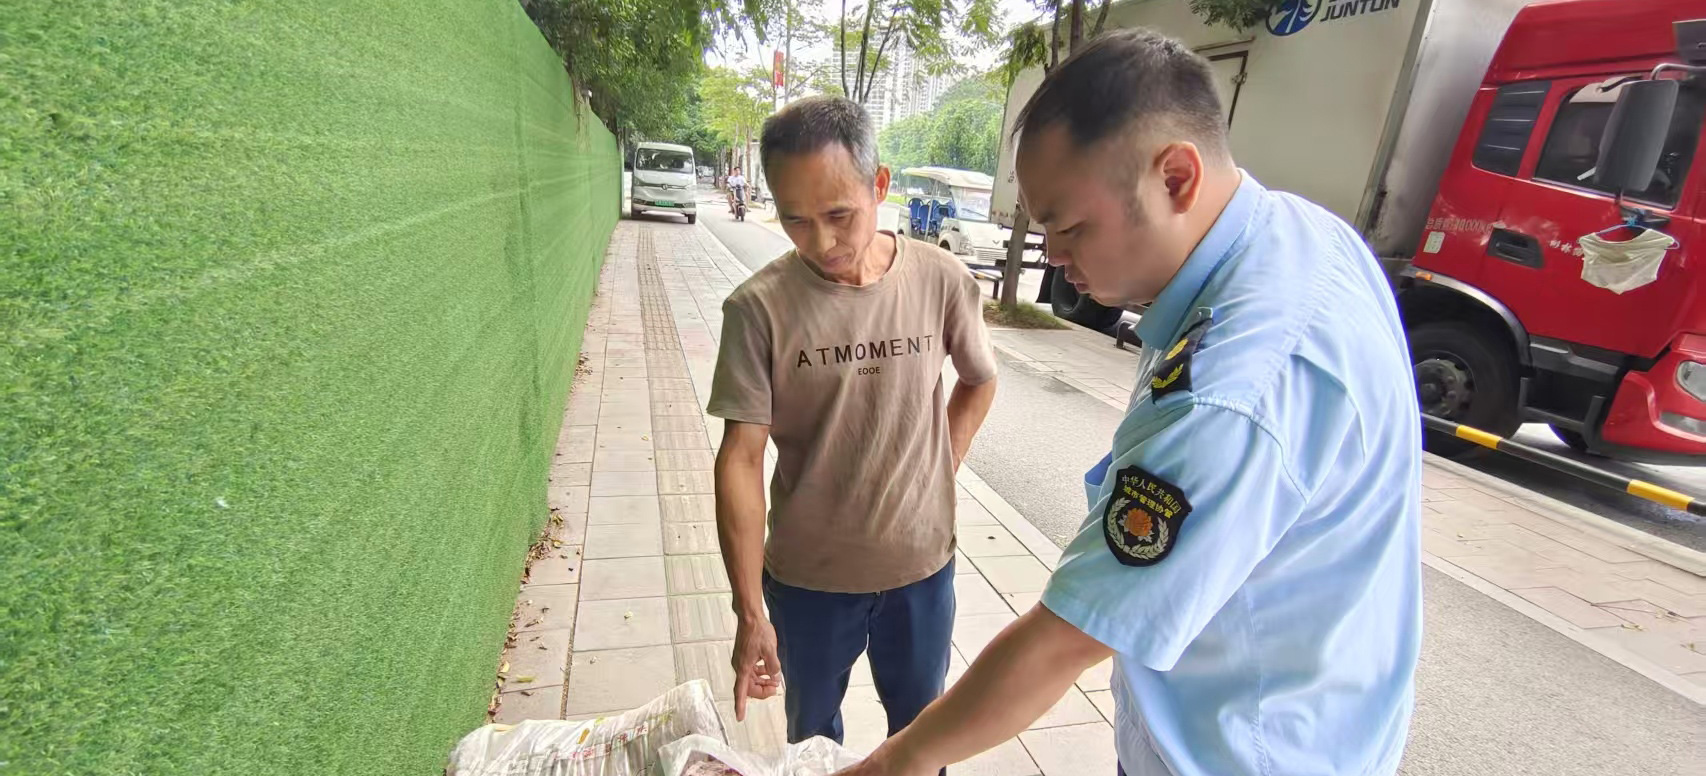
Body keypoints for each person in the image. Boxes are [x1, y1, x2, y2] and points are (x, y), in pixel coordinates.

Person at [839, 29, 1422, 776]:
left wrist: (897, 761)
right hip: (1309, 716)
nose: (1055, 257)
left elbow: (1063, 641)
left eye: (1070, 227)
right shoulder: (1298, 235)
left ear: (1176, 177)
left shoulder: (1234, 388)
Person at [707, 96, 999, 747]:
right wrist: (749, 609)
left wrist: (943, 464)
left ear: (880, 185)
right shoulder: (756, 310)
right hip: (807, 582)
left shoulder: (942, 279)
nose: (821, 242)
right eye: (796, 220)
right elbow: (741, 458)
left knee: (922, 739)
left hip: (922, 572)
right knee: (813, 741)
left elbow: (979, 379)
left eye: (839, 215)